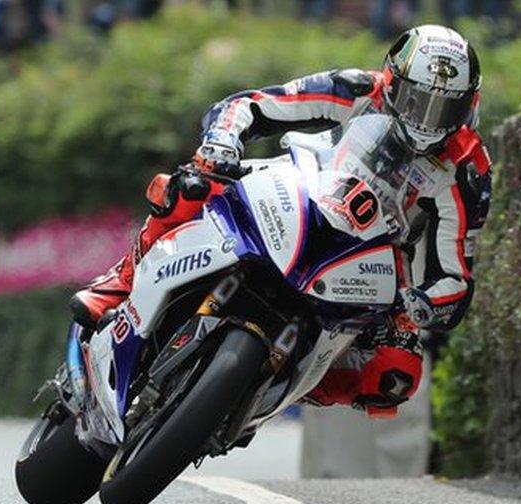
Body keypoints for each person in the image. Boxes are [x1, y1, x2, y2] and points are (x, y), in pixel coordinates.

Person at [71, 25, 492, 418]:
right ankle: (118, 285)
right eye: (419, 101)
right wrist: (221, 143)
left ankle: (267, 392)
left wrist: (419, 305)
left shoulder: (467, 168)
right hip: (301, 187)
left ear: (468, 105)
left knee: (397, 374)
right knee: (184, 188)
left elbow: (455, 273)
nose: (427, 119)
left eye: (444, 108)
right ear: (392, 81)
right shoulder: (356, 89)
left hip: (377, 252)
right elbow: (252, 104)